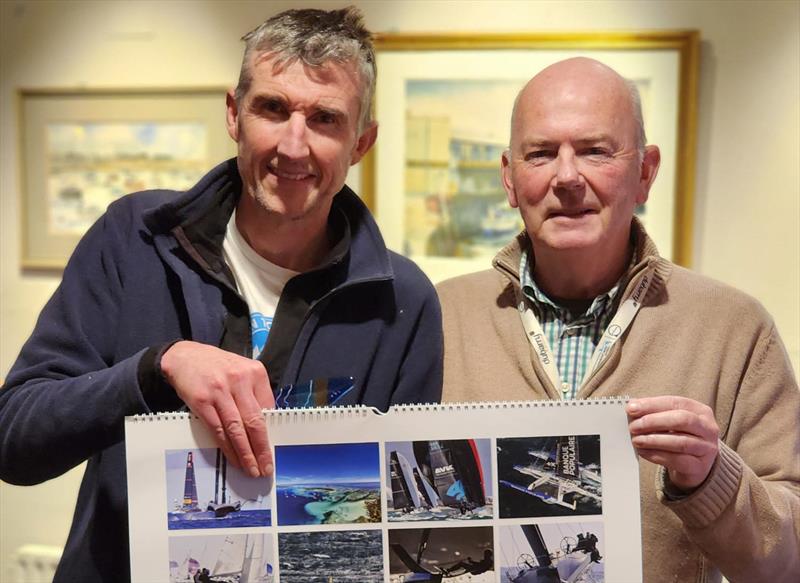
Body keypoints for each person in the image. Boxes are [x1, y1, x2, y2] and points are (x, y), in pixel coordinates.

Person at [0, 7, 442, 582]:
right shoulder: (133, 238)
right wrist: (155, 368)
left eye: (326, 119)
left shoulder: (402, 302)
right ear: (234, 114)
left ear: (362, 142)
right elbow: (14, 439)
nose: (293, 145)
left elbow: (404, 528)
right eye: (273, 108)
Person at [437, 57, 799, 582]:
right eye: (540, 154)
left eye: (594, 151)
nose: (566, 177)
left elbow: (789, 561)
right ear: (510, 178)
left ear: (645, 172)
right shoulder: (439, 317)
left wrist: (712, 479)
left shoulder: (734, 329)